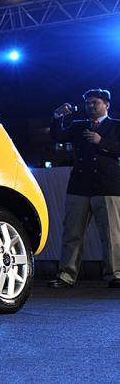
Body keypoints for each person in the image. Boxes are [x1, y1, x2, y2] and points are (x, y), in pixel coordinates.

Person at [48, 88, 120, 288]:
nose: (90, 106)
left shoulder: (116, 126)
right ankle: (66, 276)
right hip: (79, 186)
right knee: (72, 233)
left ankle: (115, 275)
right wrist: (57, 116)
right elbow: (57, 137)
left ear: (106, 105)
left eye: (95, 102)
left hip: (108, 186)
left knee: (111, 234)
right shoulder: (79, 126)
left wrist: (101, 142)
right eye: (88, 103)